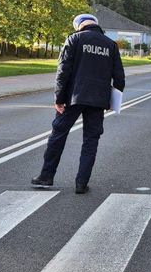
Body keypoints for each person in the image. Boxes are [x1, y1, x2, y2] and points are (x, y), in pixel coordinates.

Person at [31, 14, 125, 194]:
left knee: (58, 135)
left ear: (79, 26)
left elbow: (63, 71)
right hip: (98, 100)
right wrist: (112, 101)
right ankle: (81, 183)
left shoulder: (74, 39)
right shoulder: (110, 45)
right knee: (91, 140)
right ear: (96, 25)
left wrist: (59, 99)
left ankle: (46, 176)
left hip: (72, 98)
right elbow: (119, 78)